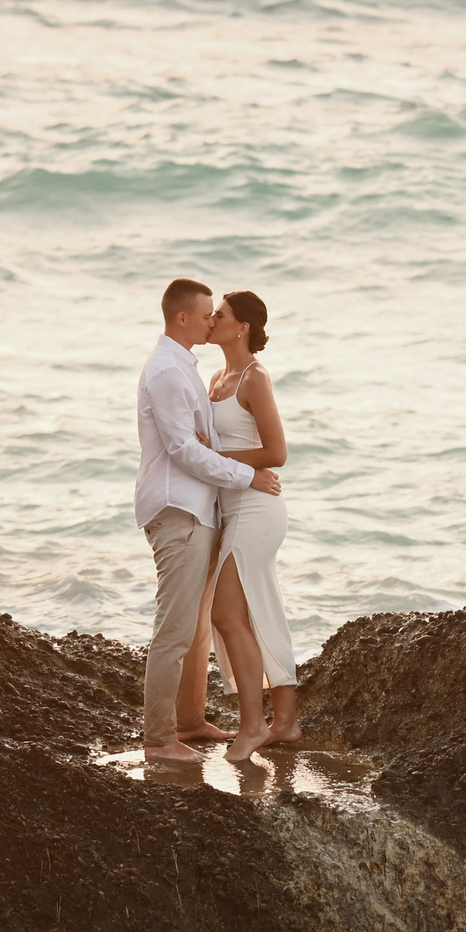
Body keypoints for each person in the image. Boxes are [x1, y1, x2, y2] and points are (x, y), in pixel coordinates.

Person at [135, 279, 278, 764]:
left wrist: (224, 458)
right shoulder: (170, 373)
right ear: (183, 319)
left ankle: (191, 721)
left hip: (200, 510)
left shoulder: (187, 369)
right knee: (174, 629)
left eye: (217, 316)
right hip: (179, 511)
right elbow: (183, 451)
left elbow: (202, 443)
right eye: (205, 315)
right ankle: (159, 739)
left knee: (195, 627)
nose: (210, 322)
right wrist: (247, 475)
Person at [191, 289, 296, 762]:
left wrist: (211, 457)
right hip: (229, 510)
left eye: (221, 315)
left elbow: (277, 453)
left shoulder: (254, 378)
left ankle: (252, 727)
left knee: (226, 614)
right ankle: (286, 724)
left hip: (257, 509)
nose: (211, 320)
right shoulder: (217, 377)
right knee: (259, 612)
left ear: (243, 328)